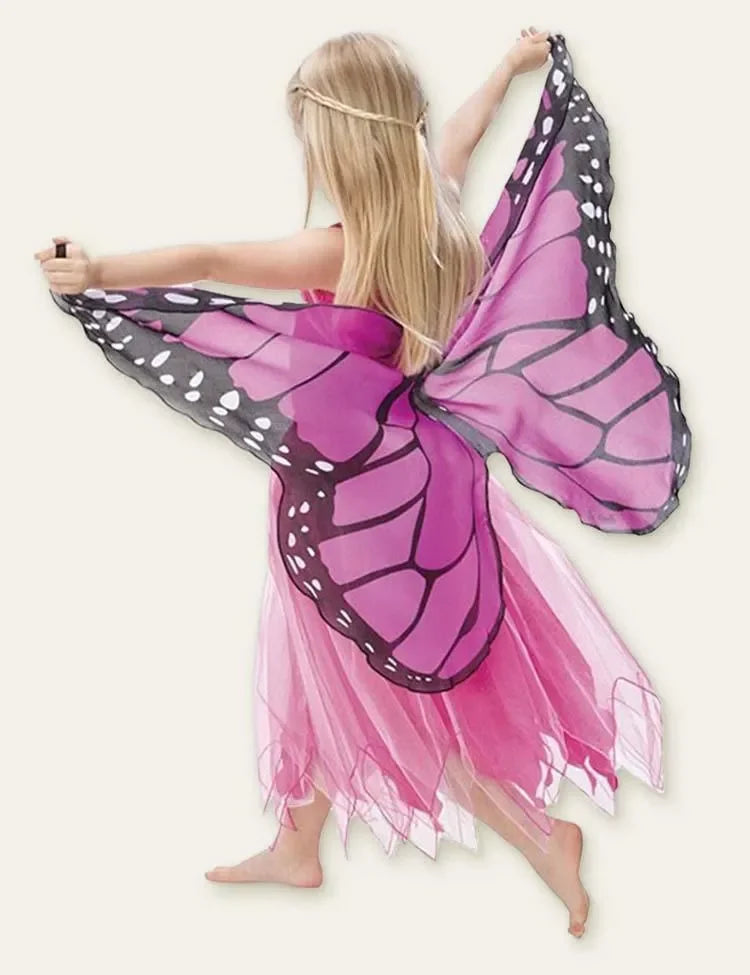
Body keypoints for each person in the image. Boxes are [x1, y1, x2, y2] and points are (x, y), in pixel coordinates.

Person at [34, 27, 690, 939]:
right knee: (329, 667)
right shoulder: (438, 215)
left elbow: (213, 260)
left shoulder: (334, 251)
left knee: (400, 693)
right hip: (413, 492)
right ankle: (298, 843)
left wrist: (99, 272)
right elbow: (459, 136)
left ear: (337, 148)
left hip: (352, 511)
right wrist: (508, 70)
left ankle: (546, 842)